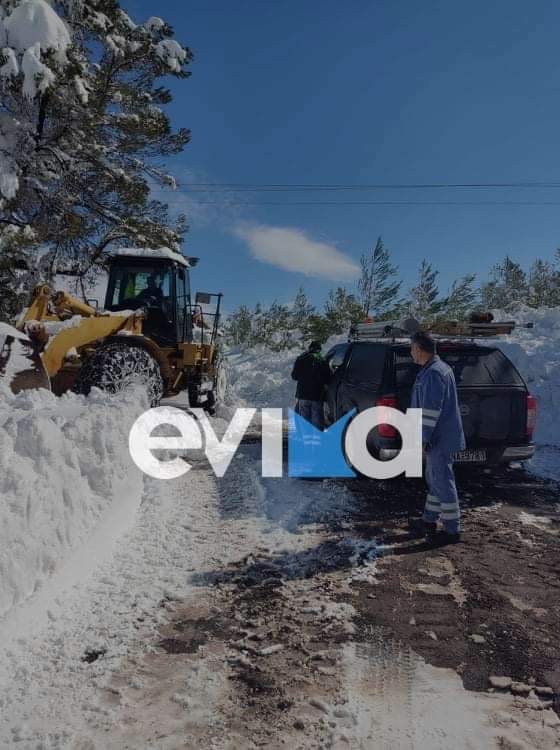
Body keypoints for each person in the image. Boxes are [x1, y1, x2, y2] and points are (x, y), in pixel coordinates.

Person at [410, 331, 465, 545]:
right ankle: (429, 519)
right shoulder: (435, 369)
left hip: (437, 440)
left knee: (442, 481)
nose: (411, 352)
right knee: (435, 481)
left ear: (420, 350)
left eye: (412, 348)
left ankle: (452, 530)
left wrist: (422, 439)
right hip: (439, 438)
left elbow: (430, 411)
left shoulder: (433, 373)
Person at [291, 340, 331, 430]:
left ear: (310, 349)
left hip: (303, 395)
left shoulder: (301, 358)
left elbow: (294, 376)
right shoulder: (322, 359)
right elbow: (328, 378)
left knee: (304, 420)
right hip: (317, 395)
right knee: (317, 420)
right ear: (319, 350)